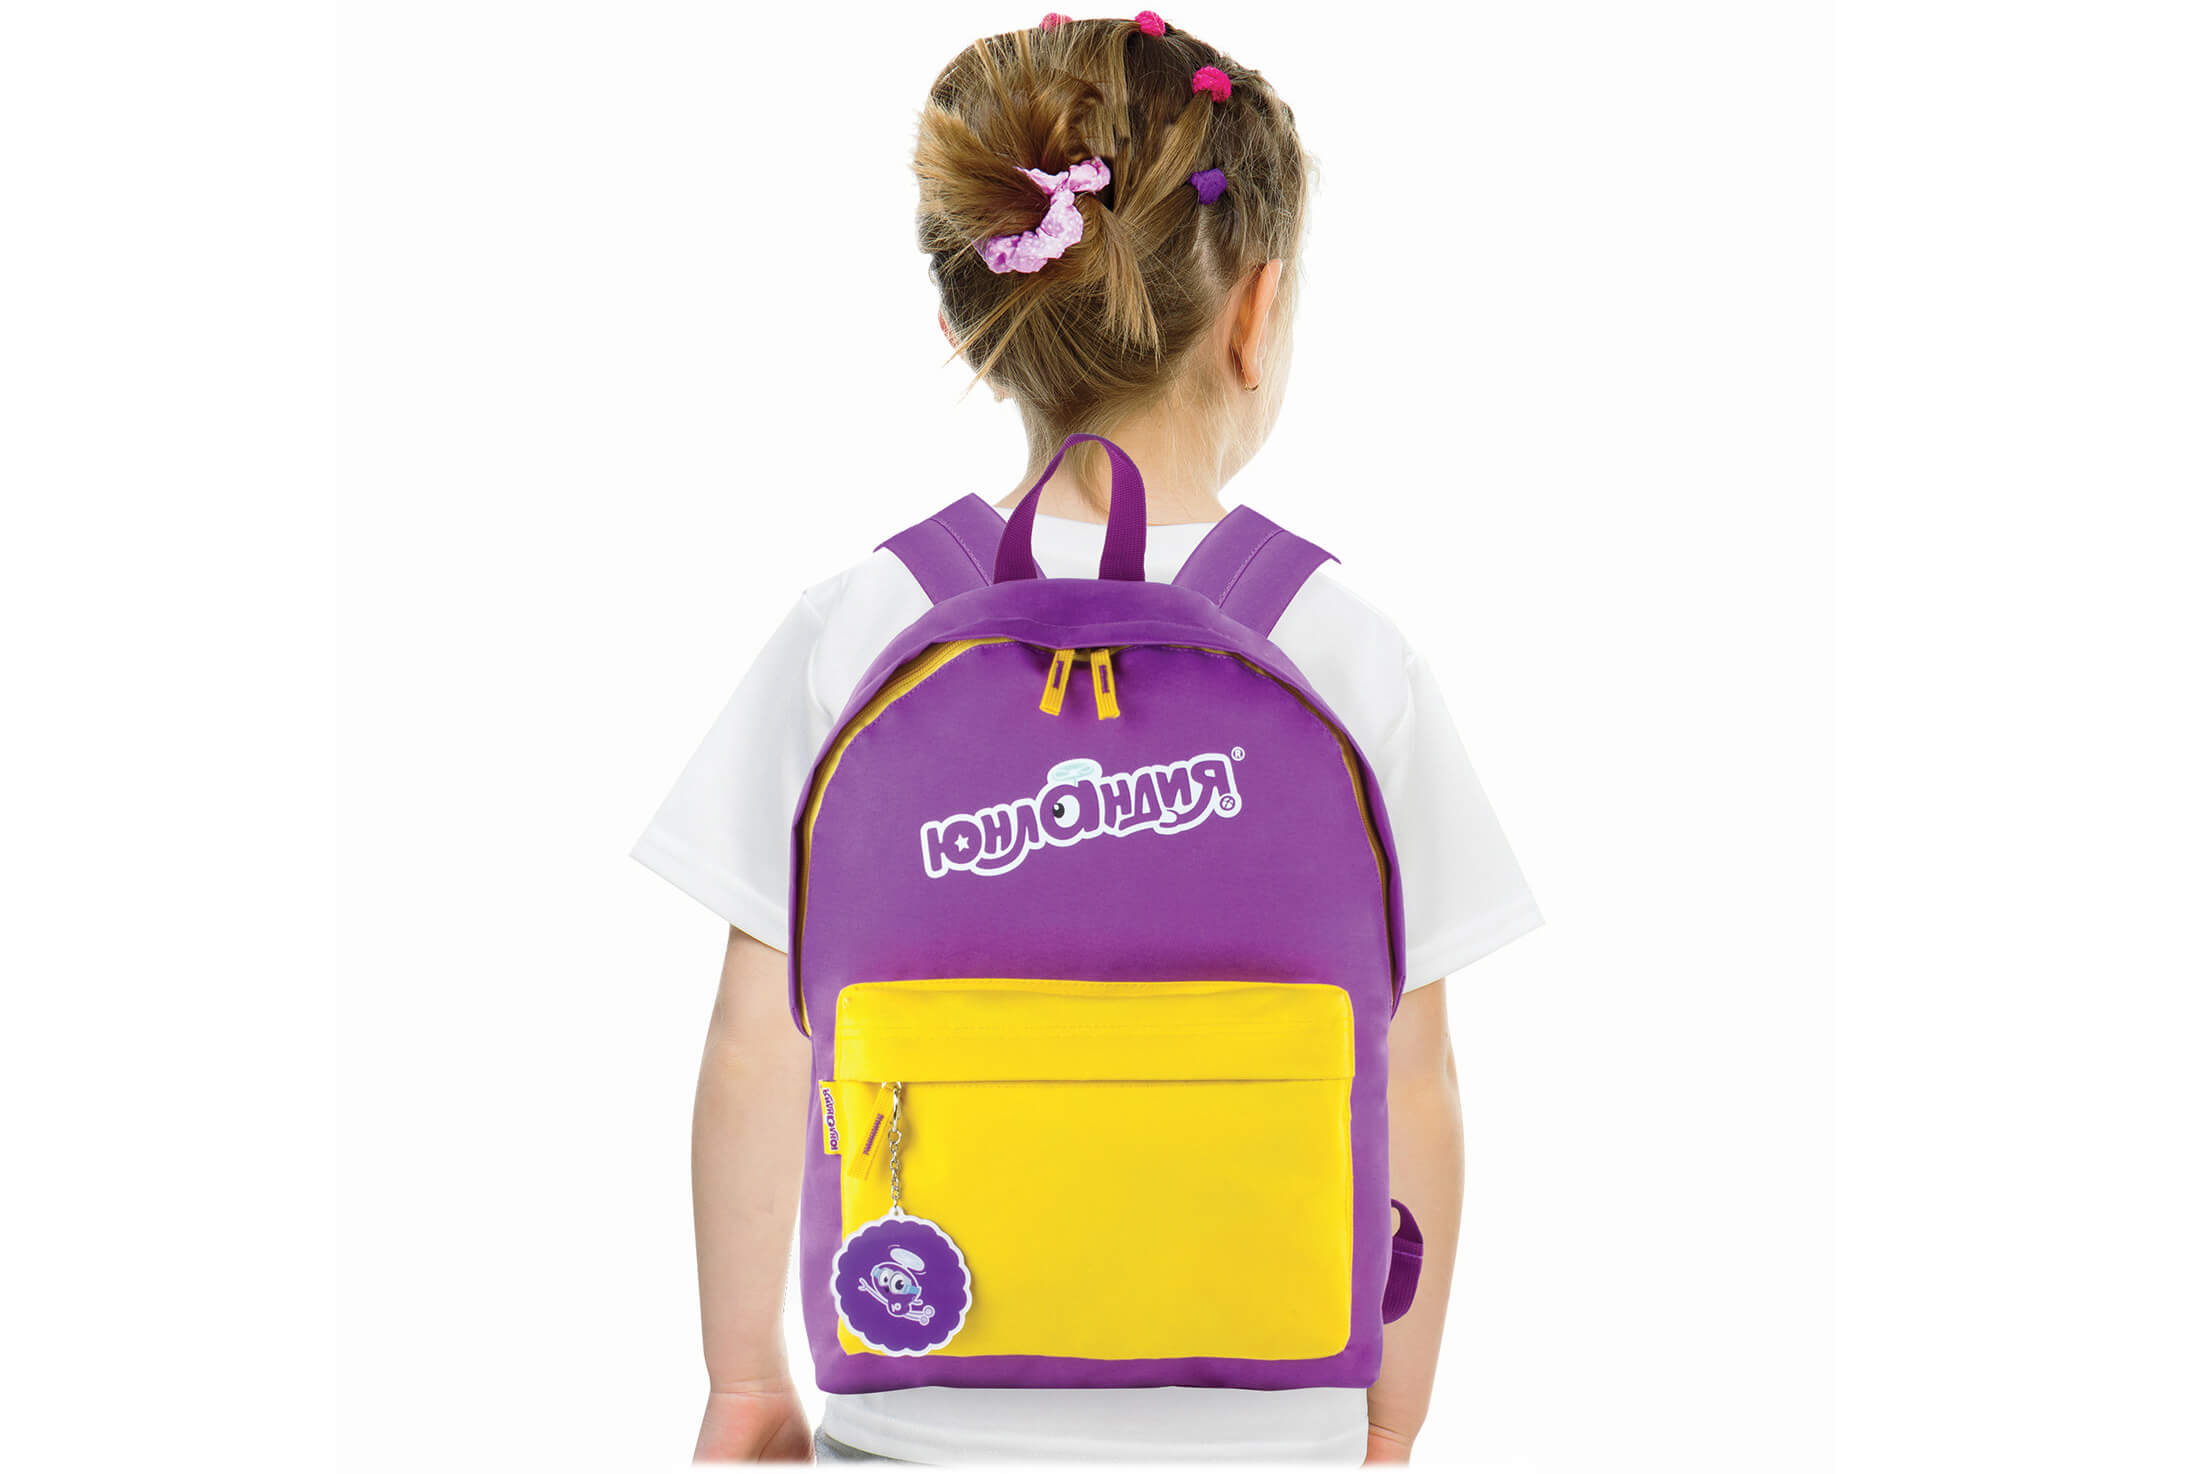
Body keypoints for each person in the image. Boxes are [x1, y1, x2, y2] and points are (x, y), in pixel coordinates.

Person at [633, 13, 1541, 1463]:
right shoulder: (1344, 648)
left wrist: (746, 1380)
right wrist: (1390, 1411)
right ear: (1256, 313)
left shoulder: (859, 626)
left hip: (923, 1403)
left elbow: (759, 1045)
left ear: (972, 323)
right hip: (1270, 1415)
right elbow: (1414, 1079)